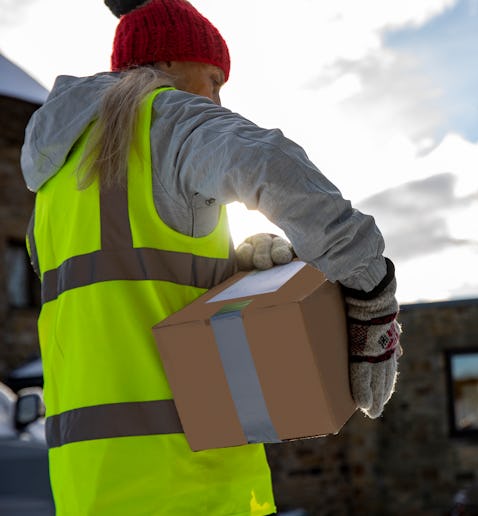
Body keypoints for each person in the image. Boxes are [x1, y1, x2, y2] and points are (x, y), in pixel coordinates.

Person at [21, 0, 402, 514]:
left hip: (86, 487)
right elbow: (271, 163)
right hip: (193, 482)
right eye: (214, 79)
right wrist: (371, 293)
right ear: (170, 64)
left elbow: (125, 302)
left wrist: (232, 274)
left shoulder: (54, 182)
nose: (218, 99)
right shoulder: (166, 118)